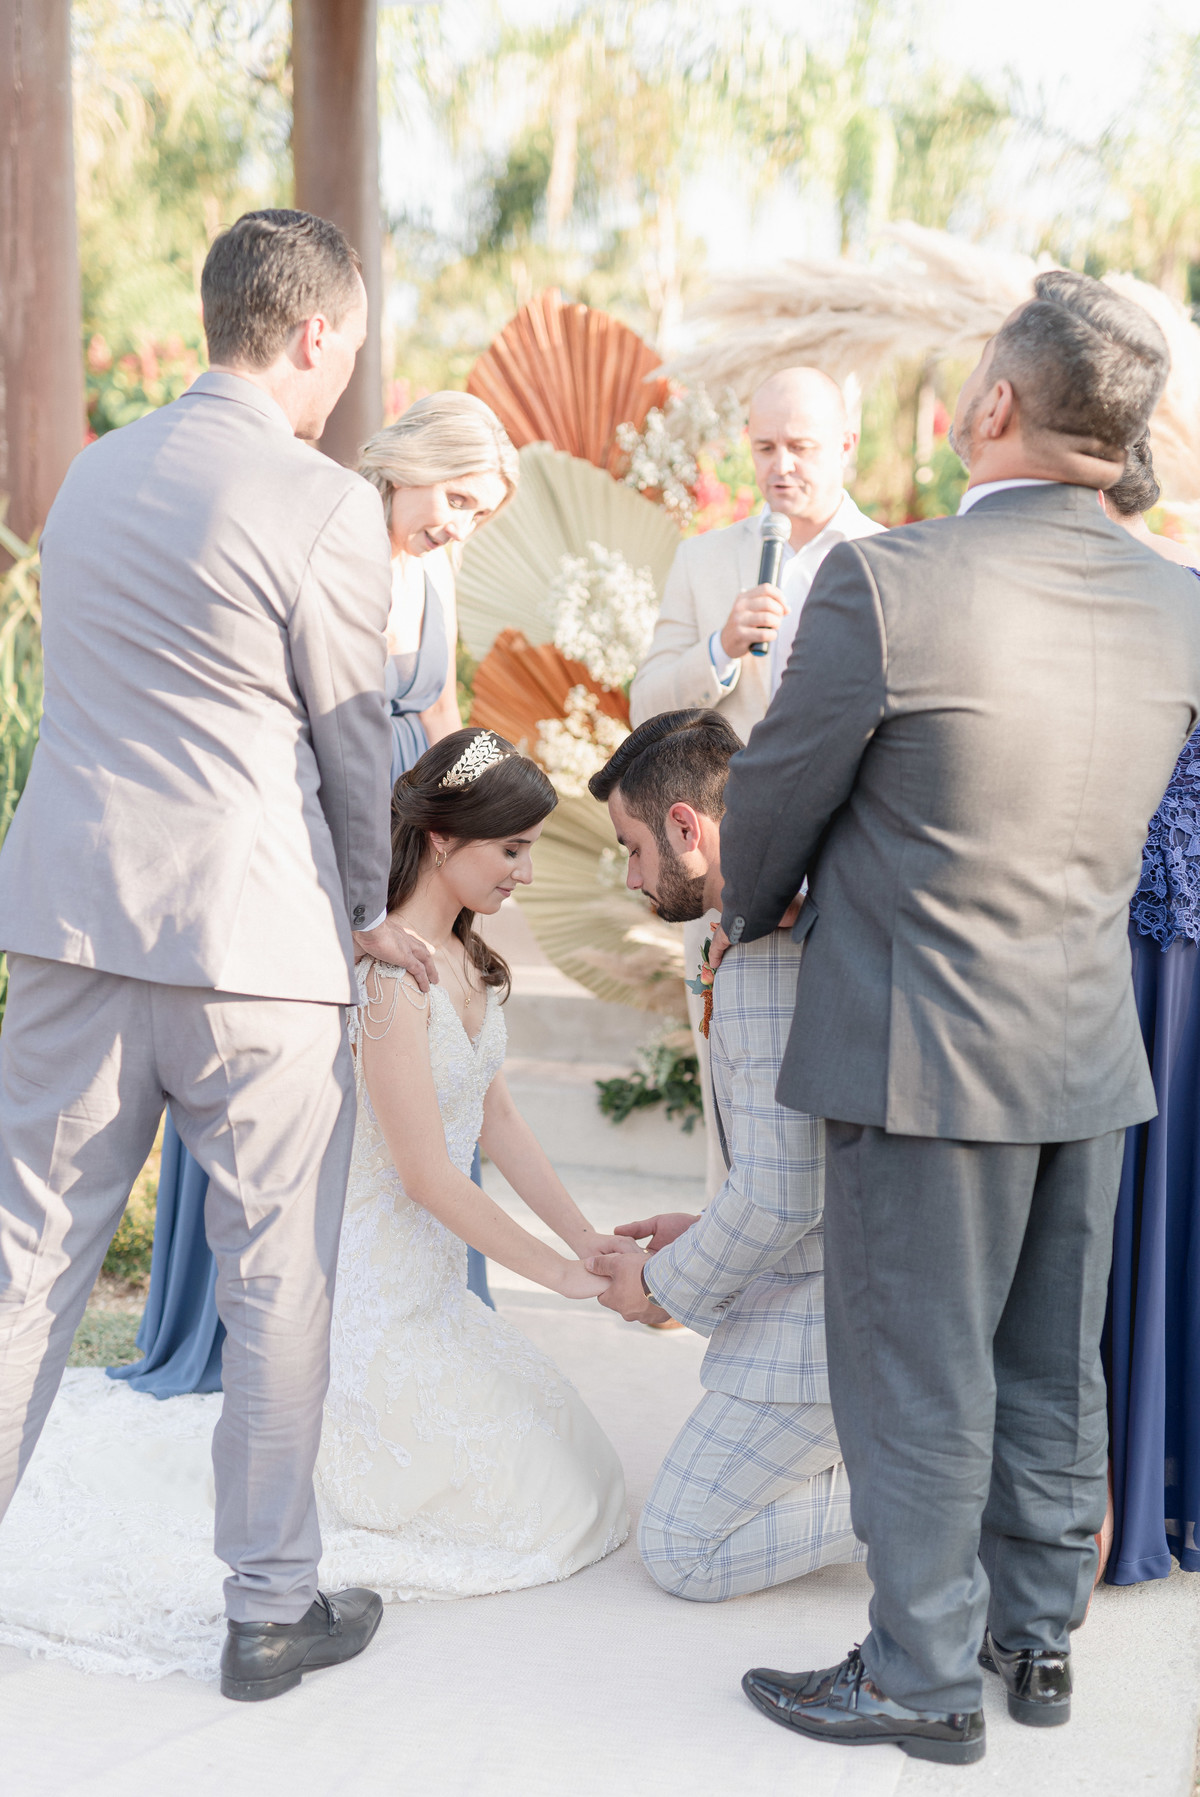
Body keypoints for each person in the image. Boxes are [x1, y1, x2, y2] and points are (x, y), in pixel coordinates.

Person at [716, 271, 1200, 1766]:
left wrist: (754, 901)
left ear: (994, 405)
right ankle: (1035, 1641)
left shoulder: (892, 581)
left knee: (918, 1369)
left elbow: (769, 809)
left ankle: (919, 1676)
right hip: (1088, 1049)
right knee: (1055, 1361)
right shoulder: (1181, 604)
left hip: (917, 1051)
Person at [0, 208, 442, 1699]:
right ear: (315, 333)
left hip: (71, 925)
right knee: (275, 1288)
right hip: (254, 944)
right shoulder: (322, 504)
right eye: (352, 349)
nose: (348, 376)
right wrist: (371, 905)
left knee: (24, 1267)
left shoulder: (91, 474)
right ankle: (268, 1612)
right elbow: (351, 743)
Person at [0, 730, 629, 1686]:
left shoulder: (470, 960)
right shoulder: (389, 981)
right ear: (443, 838)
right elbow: (427, 1174)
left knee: (572, 1469)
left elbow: (498, 1118)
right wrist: (557, 1275)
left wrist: (584, 1236)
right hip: (372, 1311)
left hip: (434, 1298)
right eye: (512, 848)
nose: (528, 872)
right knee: (525, 1500)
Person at [121, 395, 519, 1399]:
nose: (460, 525)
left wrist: (480, 823)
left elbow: (439, 710)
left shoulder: (434, 568)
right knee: (288, 1058)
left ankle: (399, 1309)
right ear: (411, 461)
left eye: (479, 513)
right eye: (455, 499)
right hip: (308, 824)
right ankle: (244, 1328)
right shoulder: (323, 532)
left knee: (408, 1056)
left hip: (409, 833)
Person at [583, 710, 862, 1601]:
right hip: (836, 1284)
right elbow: (804, 1164)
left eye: (632, 848)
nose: (633, 876)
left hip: (837, 1323)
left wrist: (660, 1286)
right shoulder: (772, 921)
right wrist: (704, 1228)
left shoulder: (766, 950)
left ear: (684, 826)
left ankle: (956, 1489)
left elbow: (783, 1197)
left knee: (682, 1547)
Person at [629, 369, 882, 1197]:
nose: (782, 466)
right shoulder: (706, 560)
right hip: (727, 871)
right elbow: (645, 703)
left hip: (850, 878)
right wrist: (721, 648)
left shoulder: (889, 560)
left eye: (801, 446)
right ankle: (725, 1252)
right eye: (765, 446)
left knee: (842, 1107)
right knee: (732, 1105)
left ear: (846, 444)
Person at [1100, 439, 1200, 1585]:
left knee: (1123, 1206)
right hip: (1156, 947)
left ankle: (1115, 1496)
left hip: (1126, 950)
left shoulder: (1113, 606)